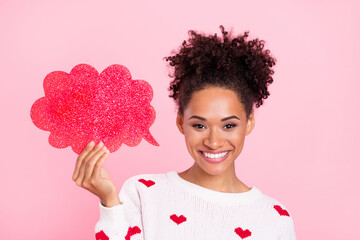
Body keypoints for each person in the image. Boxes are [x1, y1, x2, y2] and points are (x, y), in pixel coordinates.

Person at [72, 25, 296, 239]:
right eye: (199, 125)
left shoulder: (275, 218)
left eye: (229, 125)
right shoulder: (144, 194)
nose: (214, 142)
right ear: (181, 122)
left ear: (248, 123)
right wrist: (110, 202)